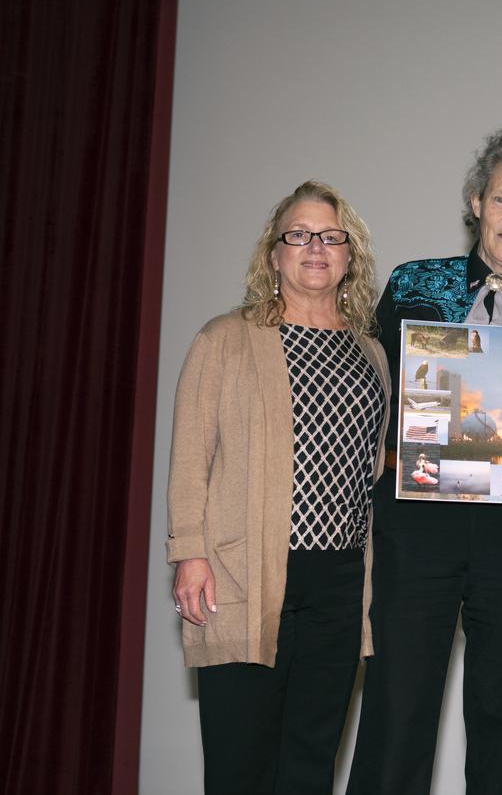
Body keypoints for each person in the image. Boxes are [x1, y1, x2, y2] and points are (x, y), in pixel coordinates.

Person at [347, 127, 502, 794]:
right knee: (397, 711)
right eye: (500, 200)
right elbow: (370, 399)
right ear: (475, 201)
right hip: (416, 522)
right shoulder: (410, 285)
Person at [167, 181, 390, 794]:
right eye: (297, 234)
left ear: (350, 256)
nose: (314, 246)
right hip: (244, 577)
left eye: (330, 236)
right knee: (241, 767)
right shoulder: (224, 339)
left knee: (310, 768)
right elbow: (190, 457)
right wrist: (189, 553)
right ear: (274, 254)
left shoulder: (370, 352)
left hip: (340, 586)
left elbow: (374, 470)